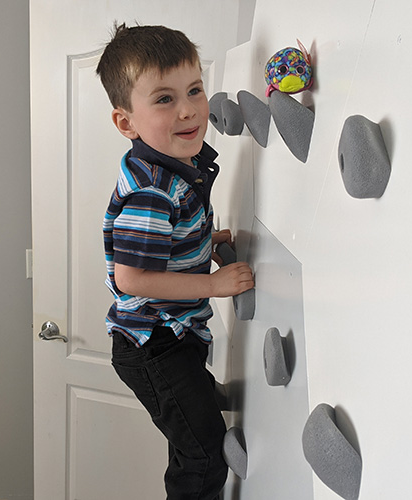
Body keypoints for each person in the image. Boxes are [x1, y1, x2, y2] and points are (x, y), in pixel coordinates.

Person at [97, 23, 255, 500]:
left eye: (194, 89)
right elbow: (132, 278)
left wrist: (204, 244)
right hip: (153, 345)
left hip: (171, 336)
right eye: (164, 99)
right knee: (203, 453)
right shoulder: (152, 188)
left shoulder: (171, 166)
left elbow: (163, 245)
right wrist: (214, 284)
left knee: (193, 439)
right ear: (126, 123)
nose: (188, 109)